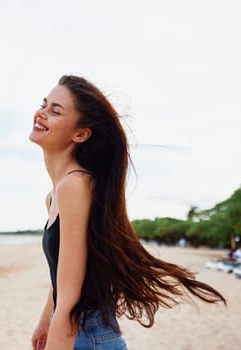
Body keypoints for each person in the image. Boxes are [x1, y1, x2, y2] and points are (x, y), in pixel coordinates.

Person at [29, 75, 226, 350]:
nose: (41, 113)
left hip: (85, 335)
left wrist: (57, 333)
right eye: (44, 104)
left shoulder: (75, 186)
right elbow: (61, 276)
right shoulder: (55, 195)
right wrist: (45, 321)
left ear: (81, 133)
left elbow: (71, 297)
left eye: (55, 111)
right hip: (80, 331)